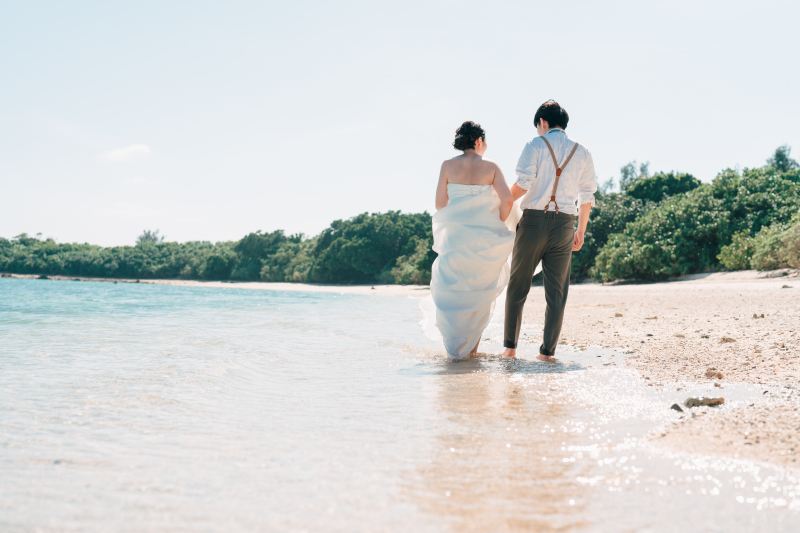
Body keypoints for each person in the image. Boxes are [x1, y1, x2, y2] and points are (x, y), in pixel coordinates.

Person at [503, 100, 597, 362]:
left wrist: (503, 201)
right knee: (557, 292)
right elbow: (587, 196)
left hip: (533, 221)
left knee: (518, 284)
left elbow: (523, 183)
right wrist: (581, 230)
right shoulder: (583, 151)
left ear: (542, 122)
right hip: (566, 224)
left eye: (538, 126)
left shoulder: (534, 145)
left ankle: (510, 348)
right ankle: (547, 353)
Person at [428, 121, 516, 360]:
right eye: (485, 141)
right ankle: (472, 351)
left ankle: (455, 352)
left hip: (456, 238)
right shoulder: (492, 167)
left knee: (454, 291)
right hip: (483, 238)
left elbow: (439, 204)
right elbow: (507, 200)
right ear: (478, 140)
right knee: (479, 292)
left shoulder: (447, 165)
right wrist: (495, 221)